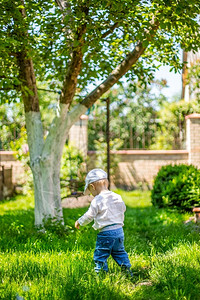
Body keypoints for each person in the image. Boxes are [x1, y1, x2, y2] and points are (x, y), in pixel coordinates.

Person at [75, 168, 132, 276]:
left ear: (92, 186)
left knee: (100, 255)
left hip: (106, 234)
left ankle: (101, 275)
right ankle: (127, 272)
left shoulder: (97, 200)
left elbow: (89, 215)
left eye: (90, 191)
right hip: (119, 231)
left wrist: (80, 221)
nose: (91, 194)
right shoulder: (117, 196)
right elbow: (123, 208)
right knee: (120, 253)